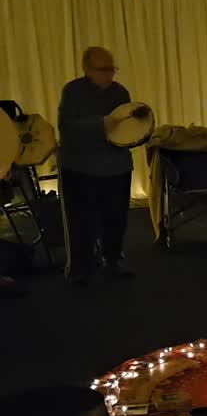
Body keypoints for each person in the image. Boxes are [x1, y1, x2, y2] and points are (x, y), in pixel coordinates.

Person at [58, 47, 147, 285]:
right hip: (80, 166)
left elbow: (127, 130)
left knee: (116, 218)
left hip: (116, 165)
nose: (109, 74)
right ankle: (80, 268)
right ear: (87, 70)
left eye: (112, 69)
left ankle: (113, 260)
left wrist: (139, 127)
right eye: (103, 70)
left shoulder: (120, 92)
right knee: (81, 220)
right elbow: (67, 127)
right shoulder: (73, 91)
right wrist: (105, 123)